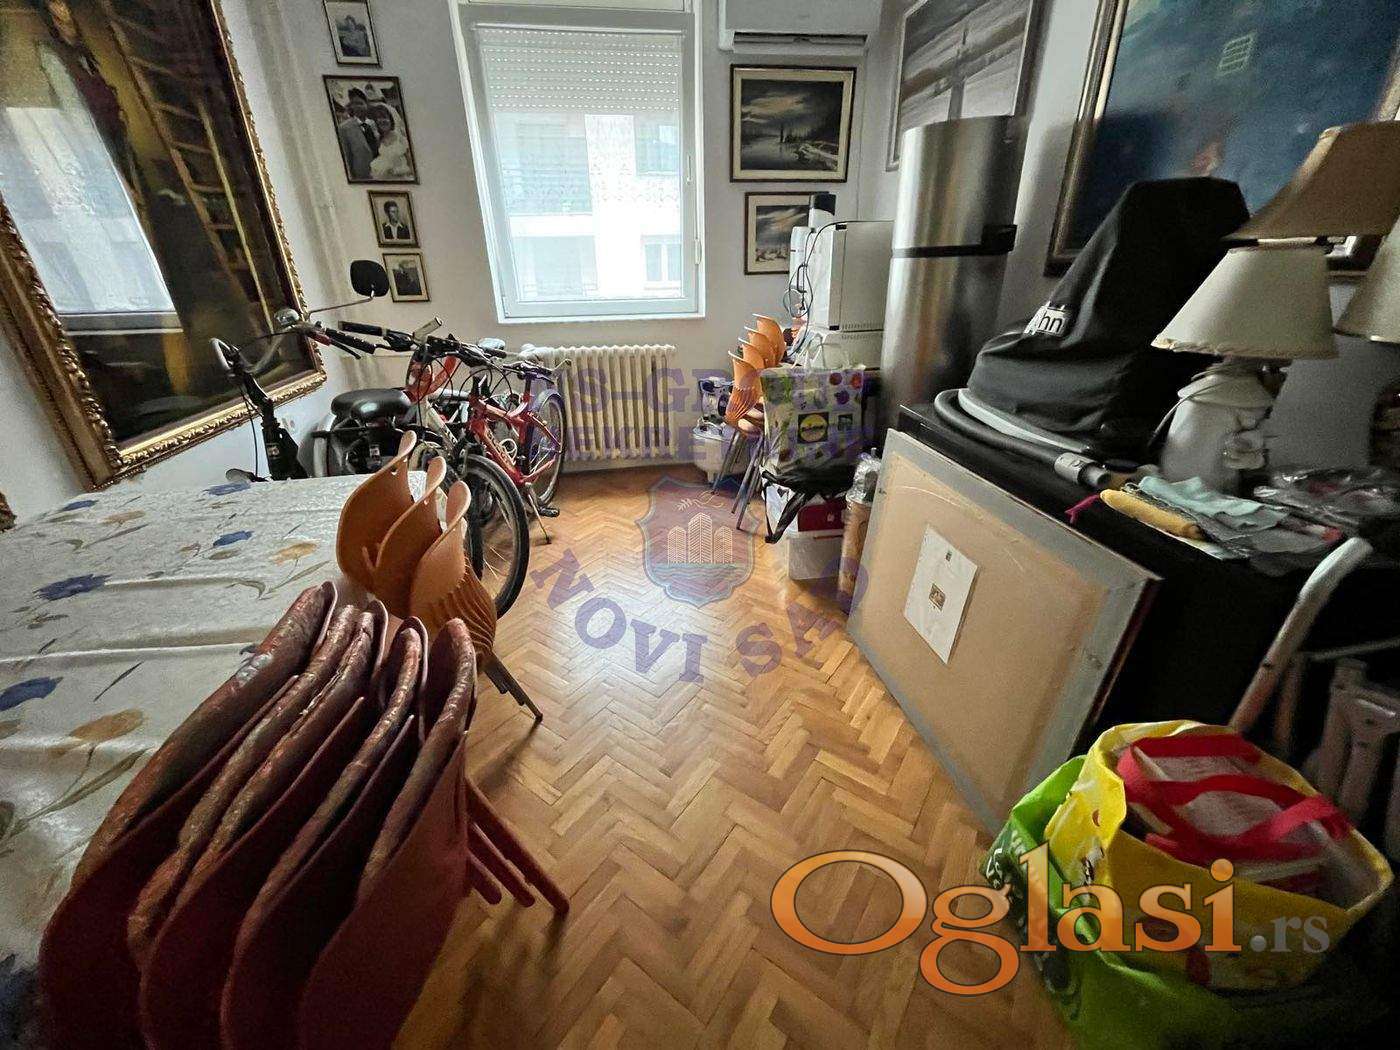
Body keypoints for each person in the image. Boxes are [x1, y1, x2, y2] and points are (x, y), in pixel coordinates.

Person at [336, 87, 378, 180]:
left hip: (381, 173)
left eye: (360, 103)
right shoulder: (344, 128)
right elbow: (347, 157)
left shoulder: (374, 123)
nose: (357, 107)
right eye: (354, 104)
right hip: (361, 177)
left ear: (366, 104)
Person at [367, 104, 413, 181]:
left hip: (402, 178)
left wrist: (397, 171)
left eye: (384, 117)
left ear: (391, 119)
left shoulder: (400, 138)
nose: (382, 120)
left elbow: (412, 166)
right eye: (378, 118)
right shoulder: (378, 140)